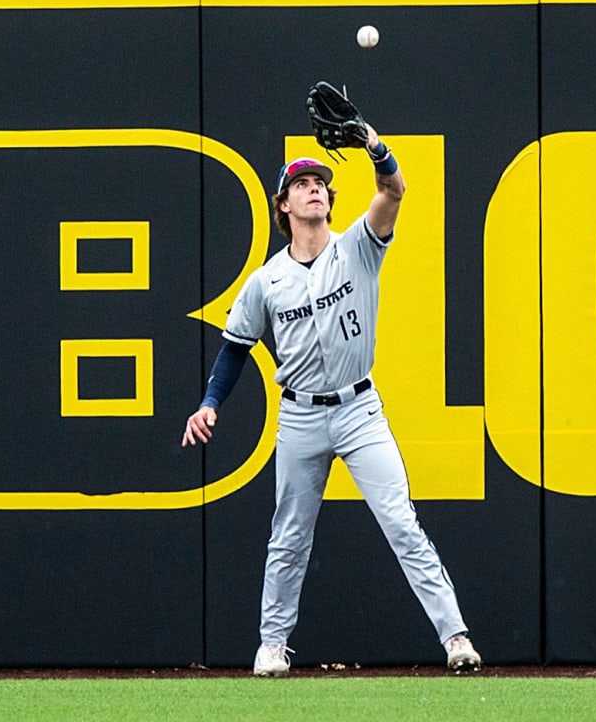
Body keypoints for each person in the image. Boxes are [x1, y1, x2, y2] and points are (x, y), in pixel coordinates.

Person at [182, 121, 481, 677]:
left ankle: (455, 636)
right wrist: (209, 403)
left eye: (320, 181)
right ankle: (272, 645)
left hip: (360, 409)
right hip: (298, 416)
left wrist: (376, 147)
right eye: (302, 183)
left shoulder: (359, 248)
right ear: (285, 205)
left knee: (400, 521)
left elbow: (393, 191)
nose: (315, 187)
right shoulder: (267, 281)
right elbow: (234, 348)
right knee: (289, 535)